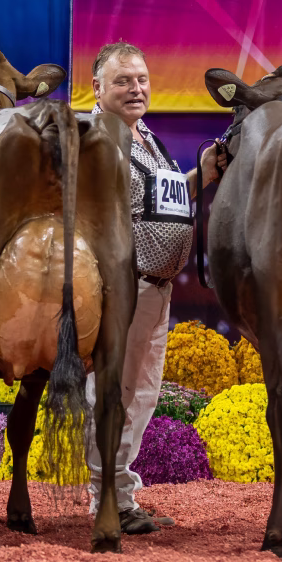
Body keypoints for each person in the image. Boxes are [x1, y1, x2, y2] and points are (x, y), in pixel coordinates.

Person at [85, 41, 222, 534]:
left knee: (141, 393)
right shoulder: (93, 139)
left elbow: (159, 203)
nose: (136, 89)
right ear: (97, 88)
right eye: (123, 81)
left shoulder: (146, 137)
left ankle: (120, 492)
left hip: (156, 288)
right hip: (120, 287)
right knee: (112, 392)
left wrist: (203, 175)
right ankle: (108, 498)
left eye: (141, 79)